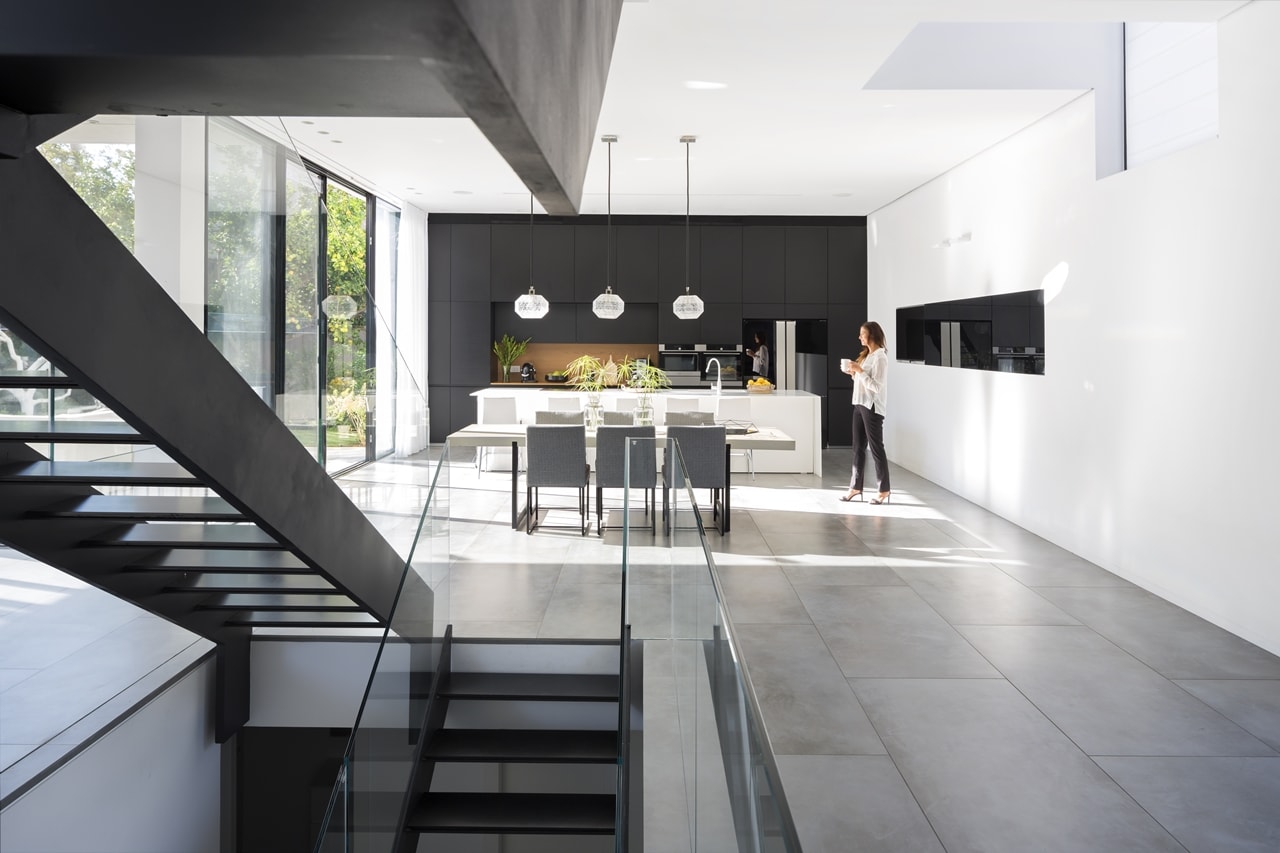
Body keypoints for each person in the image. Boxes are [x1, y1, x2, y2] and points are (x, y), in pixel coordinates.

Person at [840, 321, 891, 505]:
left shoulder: (880, 358)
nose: (859, 337)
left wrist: (859, 371)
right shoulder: (867, 355)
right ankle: (855, 486)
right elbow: (863, 381)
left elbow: (876, 387)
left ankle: (884, 489)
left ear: (872, 335)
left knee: (876, 448)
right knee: (858, 448)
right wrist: (854, 373)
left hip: (872, 407)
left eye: (862, 334)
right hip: (859, 405)